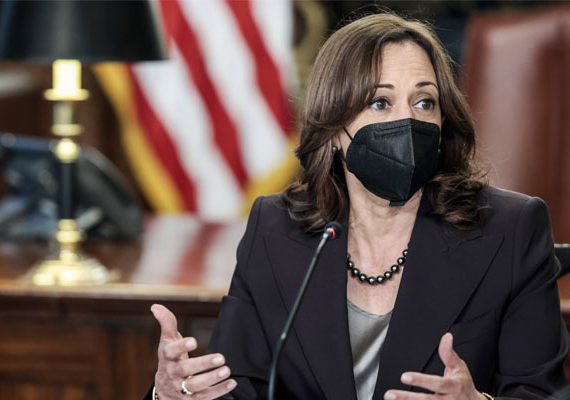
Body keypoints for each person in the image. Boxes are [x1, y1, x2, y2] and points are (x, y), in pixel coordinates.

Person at [147, 12, 569, 400]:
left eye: (424, 102)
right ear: (333, 129)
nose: (408, 121)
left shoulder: (510, 229)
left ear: (443, 124)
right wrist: (172, 394)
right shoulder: (276, 229)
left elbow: (540, 392)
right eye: (380, 103)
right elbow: (239, 389)